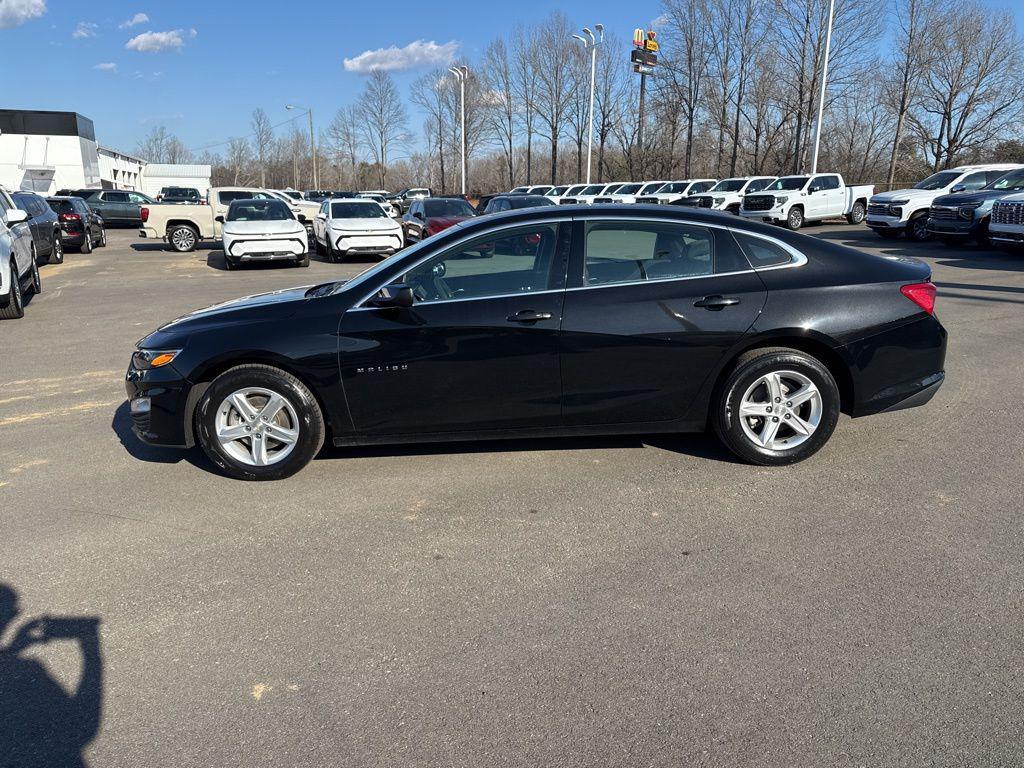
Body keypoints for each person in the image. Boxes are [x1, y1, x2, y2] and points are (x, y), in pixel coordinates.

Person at [0, 584, 103, 768]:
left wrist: (13, 649)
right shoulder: (26, 673)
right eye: (12, 611)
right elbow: (82, 725)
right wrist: (91, 651)